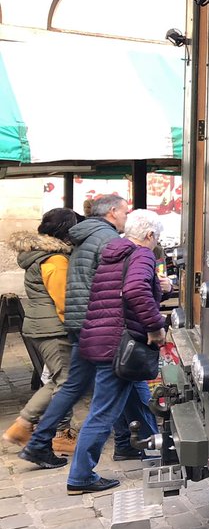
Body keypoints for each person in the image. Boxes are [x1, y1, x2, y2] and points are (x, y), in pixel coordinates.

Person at [18, 194, 147, 468]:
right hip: (102, 324)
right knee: (111, 391)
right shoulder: (107, 240)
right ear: (113, 212)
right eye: (125, 211)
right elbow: (122, 284)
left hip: (81, 324)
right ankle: (86, 469)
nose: (127, 216)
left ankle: (41, 442)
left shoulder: (82, 237)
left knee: (76, 387)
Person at [63, 210, 166, 494]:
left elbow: (119, 290)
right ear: (149, 235)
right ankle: (80, 476)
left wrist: (160, 287)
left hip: (102, 338)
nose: (156, 243)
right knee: (103, 411)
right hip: (121, 345)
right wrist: (156, 326)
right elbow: (134, 289)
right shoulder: (143, 254)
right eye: (157, 238)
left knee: (138, 396)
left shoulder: (113, 251)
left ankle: (148, 447)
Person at [2, 209, 81, 450]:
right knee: (65, 383)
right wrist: (79, 329)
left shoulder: (37, 255)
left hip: (41, 326)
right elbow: (64, 302)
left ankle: (28, 427)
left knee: (59, 380)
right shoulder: (55, 260)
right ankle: (39, 430)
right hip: (53, 330)